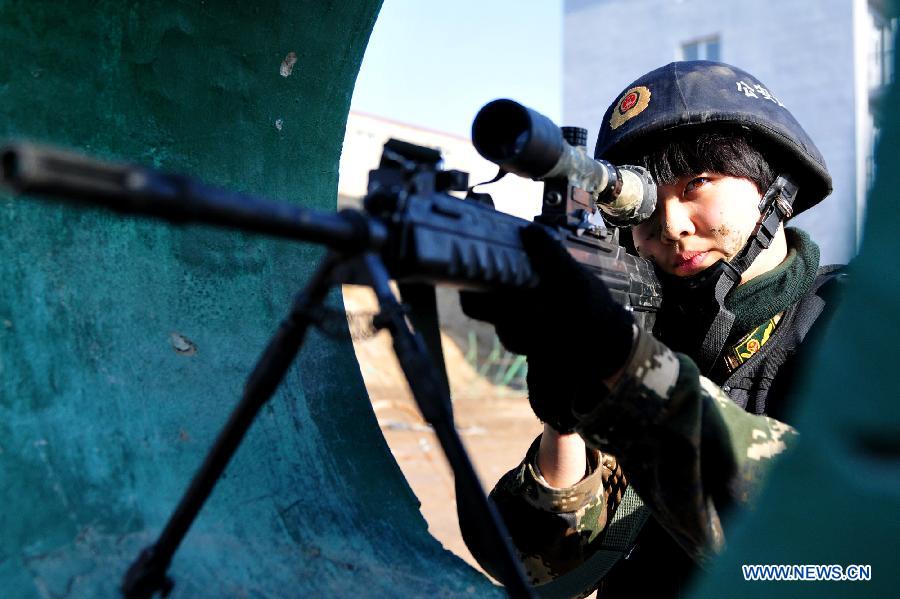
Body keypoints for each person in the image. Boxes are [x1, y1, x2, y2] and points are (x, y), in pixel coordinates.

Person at [458, 60, 846, 597]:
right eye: (644, 207)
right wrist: (565, 417)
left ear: (773, 187)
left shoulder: (856, 326)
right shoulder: (653, 330)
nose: (670, 226)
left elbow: (834, 544)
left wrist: (624, 363)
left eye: (698, 184)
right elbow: (540, 568)